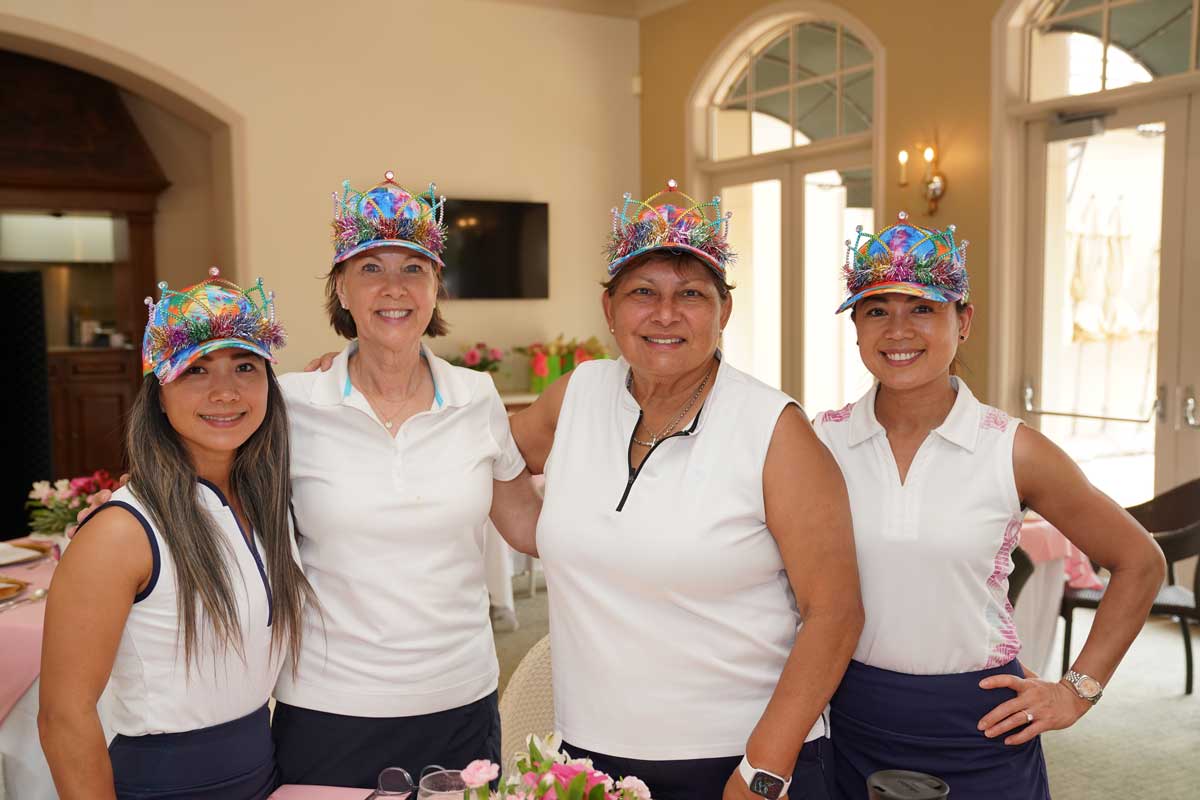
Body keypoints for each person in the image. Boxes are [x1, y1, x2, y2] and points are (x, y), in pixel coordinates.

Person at [508, 182, 864, 800]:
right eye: (643, 292)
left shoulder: (774, 430)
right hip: (590, 756)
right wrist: (364, 364)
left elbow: (835, 613)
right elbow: (478, 453)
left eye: (691, 295)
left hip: (735, 759)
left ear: (724, 311)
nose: (665, 314)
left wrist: (762, 771)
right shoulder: (576, 395)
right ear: (609, 308)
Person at [813, 214, 1167, 799]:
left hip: (978, 722)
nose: (898, 329)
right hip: (846, 713)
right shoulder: (817, 441)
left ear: (964, 320)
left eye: (923, 308)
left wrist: (1078, 690)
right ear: (855, 327)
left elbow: (1140, 560)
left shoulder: (1012, 448)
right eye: (877, 310)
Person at [270, 172, 541, 789]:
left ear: (437, 287)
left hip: (458, 699)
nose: (393, 288)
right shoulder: (290, 403)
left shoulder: (477, 397)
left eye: (414, 268)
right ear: (340, 288)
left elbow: (527, 523)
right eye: (370, 268)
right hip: (327, 705)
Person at [39, 269, 313, 800]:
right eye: (195, 370)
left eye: (244, 366)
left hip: (264, 777)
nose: (226, 391)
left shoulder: (266, 504)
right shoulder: (121, 532)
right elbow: (63, 718)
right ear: (158, 393)